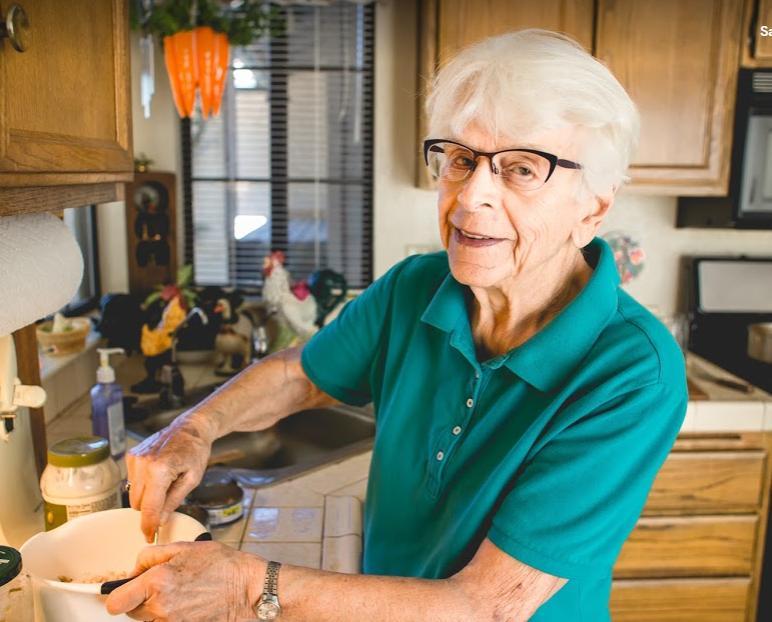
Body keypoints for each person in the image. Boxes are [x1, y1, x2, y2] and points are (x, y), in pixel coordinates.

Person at [107, 29, 687, 621]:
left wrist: (248, 586)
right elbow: (301, 375)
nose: (469, 198)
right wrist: (196, 428)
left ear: (594, 205)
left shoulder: (636, 374)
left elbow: (485, 607)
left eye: (520, 169)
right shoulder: (414, 287)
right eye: (460, 159)